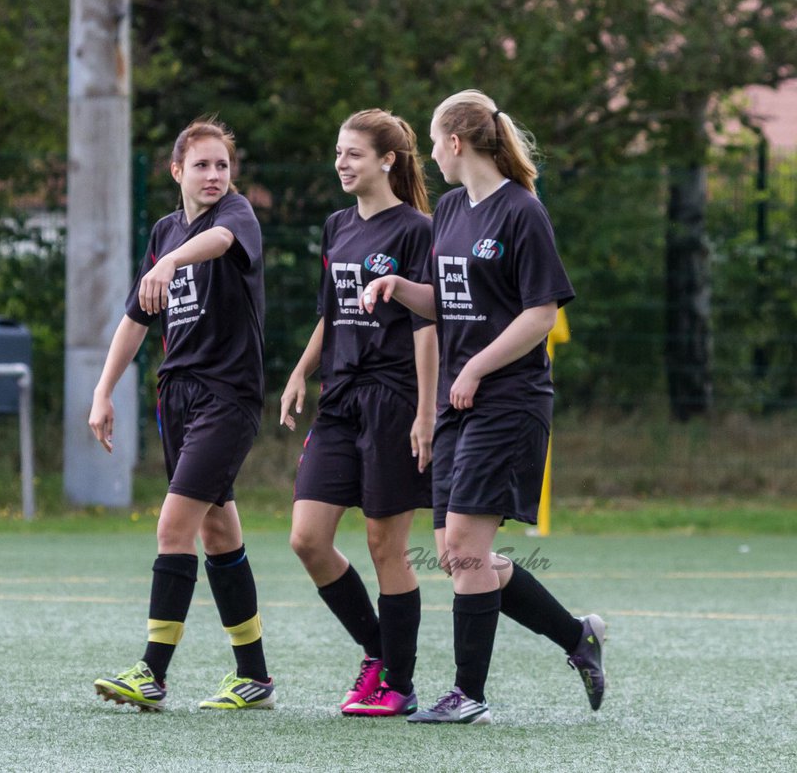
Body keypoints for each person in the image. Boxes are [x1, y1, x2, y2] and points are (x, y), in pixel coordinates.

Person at [362, 89, 605, 725]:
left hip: (508, 400)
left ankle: (468, 696)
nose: (431, 153)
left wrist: (473, 365)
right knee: (457, 555)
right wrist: (398, 288)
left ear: (456, 143)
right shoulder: (448, 210)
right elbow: (446, 301)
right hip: (457, 404)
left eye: (434, 141)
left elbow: (541, 313)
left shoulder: (523, 212)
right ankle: (577, 637)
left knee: (467, 549)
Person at [90, 117, 274, 712]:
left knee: (175, 526)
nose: (214, 174)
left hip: (228, 395)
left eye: (222, 164)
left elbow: (218, 244)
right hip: (180, 396)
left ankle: (152, 672)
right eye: (201, 165)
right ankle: (254, 676)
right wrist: (103, 391)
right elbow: (136, 320)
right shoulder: (166, 229)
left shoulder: (234, 217)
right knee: (218, 530)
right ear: (177, 171)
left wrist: (170, 263)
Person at [280, 109, 435, 717]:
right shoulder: (337, 225)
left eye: (354, 154)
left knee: (383, 547)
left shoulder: (418, 230)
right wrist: (300, 371)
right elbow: (333, 312)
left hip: (393, 401)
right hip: (340, 402)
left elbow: (428, 327)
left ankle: (399, 685)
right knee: (307, 539)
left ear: (387, 160)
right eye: (338, 153)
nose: (341, 163)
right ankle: (381, 654)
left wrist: (425, 412)